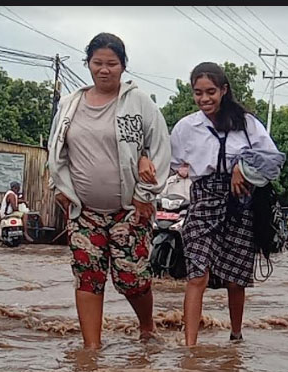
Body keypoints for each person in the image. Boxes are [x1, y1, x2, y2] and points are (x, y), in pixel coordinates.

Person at [47, 33, 171, 349]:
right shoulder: (69, 104)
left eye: (112, 64)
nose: (104, 70)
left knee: (133, 280)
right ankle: (92, 350)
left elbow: (159, 148)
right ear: (88, 64)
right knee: (88, 277)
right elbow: (55, 149)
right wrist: (58, 187)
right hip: (83, 212)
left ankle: (147, 328)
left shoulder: (139, 102)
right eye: (97, 63)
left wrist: (146, 194)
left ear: (123, 66)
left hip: (130, 211)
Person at [170, 62, 282, 346]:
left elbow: (274, 161)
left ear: (224, 90)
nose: (204, 99)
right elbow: (168, 163)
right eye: (198, 93)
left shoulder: (247, 124)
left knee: (236, 279)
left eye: (210, 92)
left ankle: (236, 337)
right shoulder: (186, 127)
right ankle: (190, 347)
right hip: (202, 202)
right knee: (197, 274)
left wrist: (240, 168)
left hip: (240, 204)